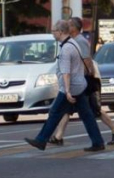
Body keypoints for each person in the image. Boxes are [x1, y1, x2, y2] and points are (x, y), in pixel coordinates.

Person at [24, 20, 105, 153]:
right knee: (86, 115)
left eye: (53, 31)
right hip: (78, 86)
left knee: (55, 112)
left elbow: (66, 72)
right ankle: (98, 142)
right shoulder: (73, 43)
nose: (52, 33)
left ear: (60, 32)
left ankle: (41, 140)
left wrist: (67, 91)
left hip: (71, 88)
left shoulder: (67, 48)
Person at [49, 17, 114, 147]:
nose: (67, 26)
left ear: (74, 28)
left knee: (94, 109)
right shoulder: (73, 41)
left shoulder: (80, 41)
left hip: (84, 81)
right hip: (78, 81)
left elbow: (87, 61)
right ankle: (58, 136)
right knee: (69, 109)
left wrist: (83, 78)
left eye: (69, 25)